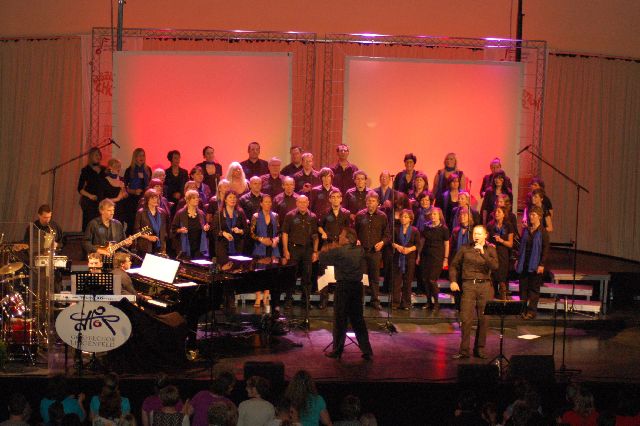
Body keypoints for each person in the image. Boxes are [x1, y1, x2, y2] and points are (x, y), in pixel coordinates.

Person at [449, 225, 499, 359]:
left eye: (479, 233)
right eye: (475, 233)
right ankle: (464, 350)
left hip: (485, 286)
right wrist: (453, 281)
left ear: (485, 235)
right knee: (466, 319)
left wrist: (483, 253)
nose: (476, 236)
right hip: (469, 285)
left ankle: (480, 349)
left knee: (484, 319)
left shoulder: (491, 249)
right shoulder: (465, 248)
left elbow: (495, 266)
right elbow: (454, 265)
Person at [281, 195, 319, 309]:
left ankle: (305, 300)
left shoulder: (313, 217)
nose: (302, 204)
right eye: (300, 202)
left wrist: (315, 251)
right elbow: (285, 234)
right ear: (296, 203)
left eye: (304, 202)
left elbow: (315, 236)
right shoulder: (290, 215)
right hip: (293, 249)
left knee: (307, 276)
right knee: (290, 275)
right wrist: (285, 250)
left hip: (308, 250)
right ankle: (288, 300)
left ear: (308, 203)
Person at [354, 191, 389, 310]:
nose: (371, 203)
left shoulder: (383, 216)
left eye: (373, 201)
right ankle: (360, 300)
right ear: (366, 202)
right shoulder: (359, 215)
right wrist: (356, 239)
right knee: (362, 277)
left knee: (374, 278)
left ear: (377, 203)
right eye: (369, 201)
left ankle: (375, 301)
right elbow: (354, 232)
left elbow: (387, 234)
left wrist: (382, 242)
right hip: (362, 252)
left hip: (375, 252)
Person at [317, 189, 351, 309]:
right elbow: (319, 226)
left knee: (341, 274)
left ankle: (340, 301)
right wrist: (323, 232)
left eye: (338, 197)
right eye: (333, 197)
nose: (335, 199)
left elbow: (348, 229)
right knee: (324, 274)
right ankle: (323, 300)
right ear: (330, 199)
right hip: (328, 246)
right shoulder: (325, 212)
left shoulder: (346, 213)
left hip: (341, 247)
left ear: (341, 199)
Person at [516, 206, 550, 320]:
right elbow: (521, 247)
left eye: (533, 215)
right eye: (530, 214)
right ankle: (522, 310)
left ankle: (531, 311)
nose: (531, 216)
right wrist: (518, 260)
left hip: (535, 264)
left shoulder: (543, 232)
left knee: (533, 289)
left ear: (539, 217)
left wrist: (542, 264)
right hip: (524, 263)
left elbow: (545, 250)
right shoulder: (526, 230)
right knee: (523, 288)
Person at [250, 194, 280, 307]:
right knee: (259, 274)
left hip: (272, 247)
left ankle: (266, 296)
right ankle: (258, 297)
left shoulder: (275, 216)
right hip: (260, 247)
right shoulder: (256, 216)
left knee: (270, 274)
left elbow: (279, 232)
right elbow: (251, 233)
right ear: (261, 203)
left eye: (269, 202)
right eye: (266, 202)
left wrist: (275, 240)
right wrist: (261, 239)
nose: (268, 204)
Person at [418, 208, 450, 311]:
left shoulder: (444, 228)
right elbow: (422, 241)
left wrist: (446, 259)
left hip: (437, 256)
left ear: (439, 215)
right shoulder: (426, 226)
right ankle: (428, 302)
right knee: (425, 279)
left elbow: (446, 244)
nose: (433, 216)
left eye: (435, 214)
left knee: (432, 280)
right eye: (432, 214)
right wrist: (418, 255)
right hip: (426, 255)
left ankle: (436, 303)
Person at [210, 190, 248, 267]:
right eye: (230, 197)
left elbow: (246, 230)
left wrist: (240, 231)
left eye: (234, 197)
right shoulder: (219, 213)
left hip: (237, 246)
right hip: (222, 247)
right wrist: (224, 233)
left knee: (236, 269)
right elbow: (214, 229)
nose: (233, 199)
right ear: (225, 200)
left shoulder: (240, 213)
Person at [391, 209, 419, 310]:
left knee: (408, 281)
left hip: (410, 258)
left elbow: (417, 244)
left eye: (406, 217)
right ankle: (395, 303)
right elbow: (392, 242)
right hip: (398, 258)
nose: (403, 218)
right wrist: (398, 247)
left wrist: (409, 249)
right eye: (402, 217)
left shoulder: (415, 230)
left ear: (410, 219)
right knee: (397, 281)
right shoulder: (396, 229)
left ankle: (406, 303)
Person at [171, 190, 209, 260]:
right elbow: (173, 230)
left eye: (197, 197)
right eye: (194, 198)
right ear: (188, 200)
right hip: (185, 247)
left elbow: (206, 226)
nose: (197, 199)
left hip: (199, 247)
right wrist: (180, 230)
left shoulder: (201, 213)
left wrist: (206, 228)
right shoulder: (180, 213)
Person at [486, 206, 515, 300]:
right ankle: (492, 298)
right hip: (492, 253)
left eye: (499, 212)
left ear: (503, 214)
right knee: (493, 276)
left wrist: (501, 240)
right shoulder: (490, 225)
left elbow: (510, 244)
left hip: (503, 253)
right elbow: (485, 240)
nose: (496, 213)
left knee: (502, 277)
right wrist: (489, 244)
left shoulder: (508, 225)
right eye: (495, 212)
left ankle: (503, 300)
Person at [123, 148, 152, 235]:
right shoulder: (129, 170)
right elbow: (124, 188)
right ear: (135, 157)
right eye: (139, 155)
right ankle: (130, 241)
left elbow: (149, 185)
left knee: (144, 223)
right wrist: (134, 191)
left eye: (143, 155)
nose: (141, 157)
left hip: (144, 200)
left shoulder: (148, 170)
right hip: (132, 201)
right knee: (132, 224)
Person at [78, 147, 106, 232]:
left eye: (99, 155)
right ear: (91, 156)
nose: (98, 157)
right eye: (96, 155)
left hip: (101, 200)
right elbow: (80, 188)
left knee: (100, 226)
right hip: (90, 201)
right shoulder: (86, 170)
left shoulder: (104, 170)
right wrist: (90, 196)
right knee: (89, 224)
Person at [134, 189, 169, 255]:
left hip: (159, 246)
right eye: (152, 198)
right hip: (145, 246)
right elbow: (136, 230)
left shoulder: (162, 212)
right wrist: (148, 237)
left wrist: (164, 247)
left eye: (156, 198)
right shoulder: (141, 212)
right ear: (147, 199)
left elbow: (164, 230)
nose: (155, 200)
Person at [101, 158, 128, 224]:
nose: (118, 168)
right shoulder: (104, 181)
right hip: (109, 210)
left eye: (119, 166)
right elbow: (102, 200)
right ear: (110, 167)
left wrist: (123, 189)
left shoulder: (121, 179)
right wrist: (117, 199)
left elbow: (125, 195)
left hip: (120, 210)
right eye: (116, 166)